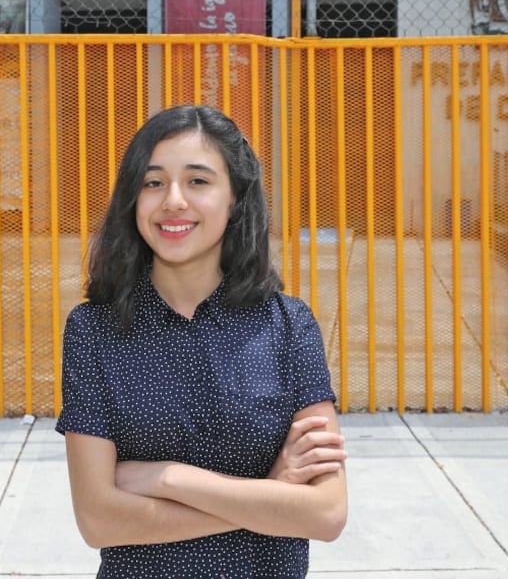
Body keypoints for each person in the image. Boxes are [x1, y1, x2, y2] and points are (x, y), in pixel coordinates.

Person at [55, 104, 348, 578]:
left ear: (235, 199)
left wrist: (168, 479)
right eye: (153, 183)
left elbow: (327, 513)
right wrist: (271, 494)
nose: (173, 200)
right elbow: (98, 521)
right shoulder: (93, 331)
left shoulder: (289, 327)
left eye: (197, 181)